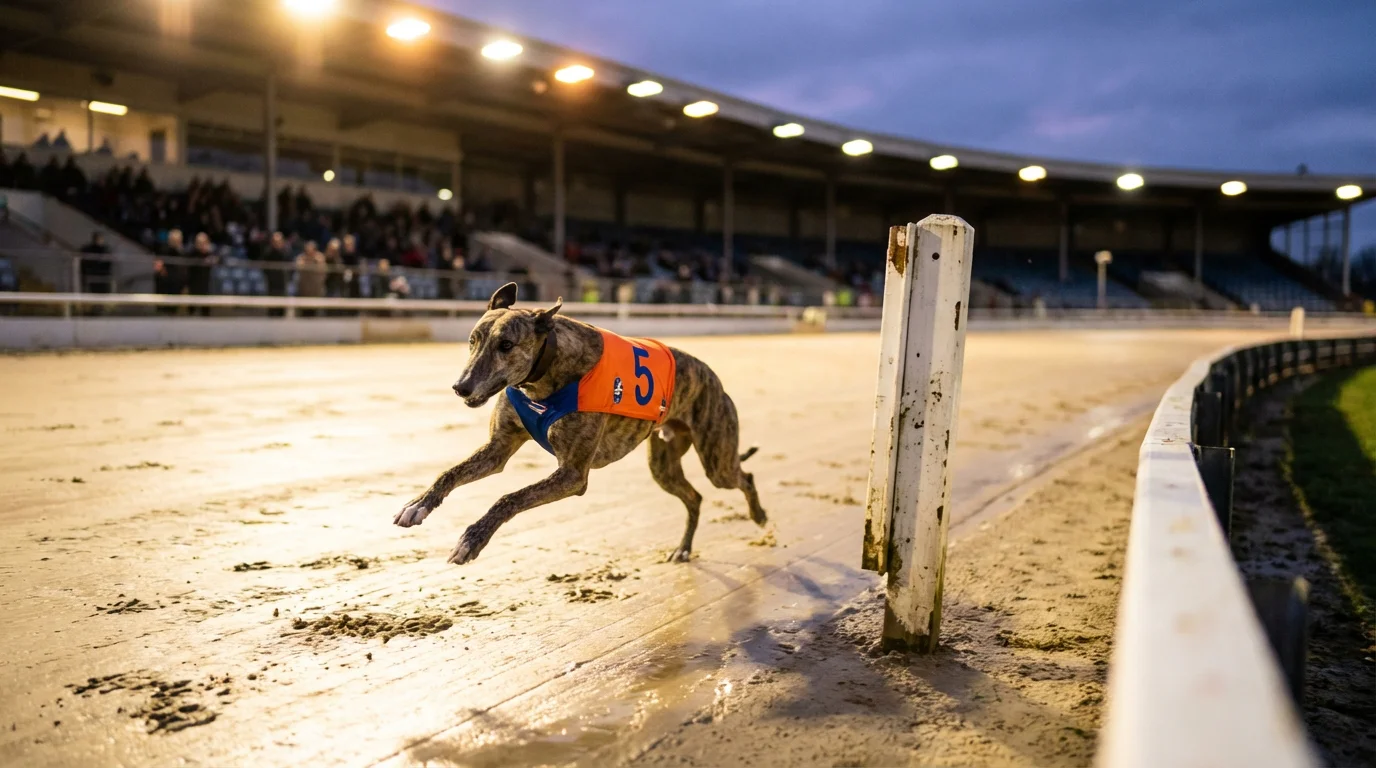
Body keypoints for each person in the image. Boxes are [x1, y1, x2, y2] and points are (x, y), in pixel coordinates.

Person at [153, 229, 185, 314]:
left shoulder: (182, 252)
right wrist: (161, 270)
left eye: (177, 240)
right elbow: (158, 265)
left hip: (176, 283)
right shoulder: (163, 250)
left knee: (173, 308)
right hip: (165, 283)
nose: (175, 242)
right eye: (173, 240)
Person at [186, 232, 219, 316]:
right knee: (191, 311)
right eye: (199, 242)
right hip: (193, 285)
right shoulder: (191, 254)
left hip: (206, 286)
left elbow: (219, 260)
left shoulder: (210, 254)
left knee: (205, 312)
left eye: (204, 242)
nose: (201, 245)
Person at [259, 231, 290, 314]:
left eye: (279, 241)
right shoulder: (268, 253)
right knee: (272, 310)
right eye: (275, 241)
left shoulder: (286, 253)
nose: (277, 243)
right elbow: (264, 268)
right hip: (271, 286)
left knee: (282, 311)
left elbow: (290, 267)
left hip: (282, 285)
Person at [294, 240, 326, 316]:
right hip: (303, 292)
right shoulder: (302, 257)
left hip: (316, 293)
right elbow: (299, 266)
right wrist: (308, 260)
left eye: (311, 250)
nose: (309, 252)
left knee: (315, 316)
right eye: (308, 250)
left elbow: (322, 269)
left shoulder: (319, 257)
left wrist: (315, 261)